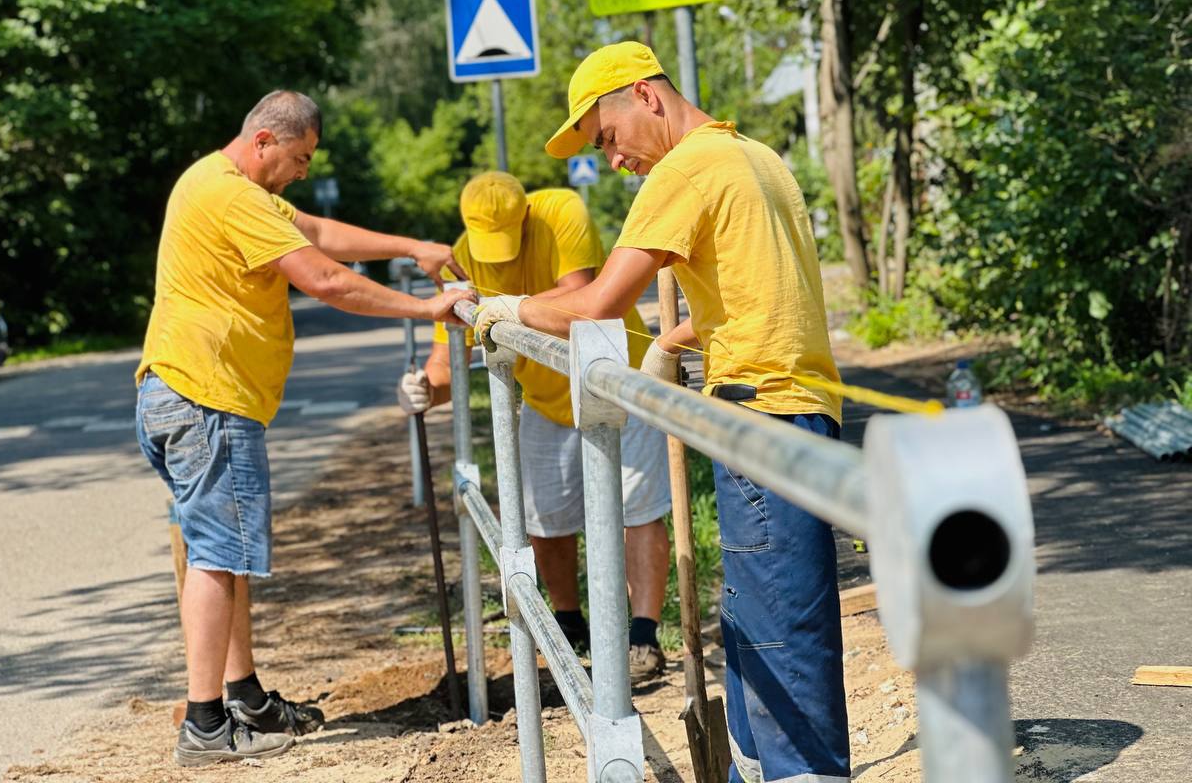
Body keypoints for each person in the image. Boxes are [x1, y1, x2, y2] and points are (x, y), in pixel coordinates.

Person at [475, 43, 851, 783]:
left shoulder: (686, 170)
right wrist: (675, 340)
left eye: (606, 137)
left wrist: (509, 308)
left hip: (763, 421)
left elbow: (596, 305)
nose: (612, 160)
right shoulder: (753, 156)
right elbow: (758, 293)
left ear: (645, 96)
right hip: (791, 410)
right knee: (755, 635)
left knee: (783, 645)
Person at [135, 89, 474, 766]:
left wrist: (415, 247)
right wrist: (425, 305)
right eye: (298, 158)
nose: (300, 172)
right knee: (214, 556)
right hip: (208, 398)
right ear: (263, 141)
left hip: (186, 392)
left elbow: (317, 232)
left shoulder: (225, 186)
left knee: (221, 554)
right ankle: (205, 724)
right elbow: (324, 278)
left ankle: (244, 696)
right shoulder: (230, 194)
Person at [397, 171, 673, 678]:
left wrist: (509, 308)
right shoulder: (462, 255)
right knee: (544, 517)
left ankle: (643, 636)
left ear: (525, 215)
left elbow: (582, 293)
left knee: (638, 510)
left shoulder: (561, 212)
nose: (499, 260)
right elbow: (445, 356)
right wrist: (426, 391)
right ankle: (569, 624)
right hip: (546, 400)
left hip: (617, 377)